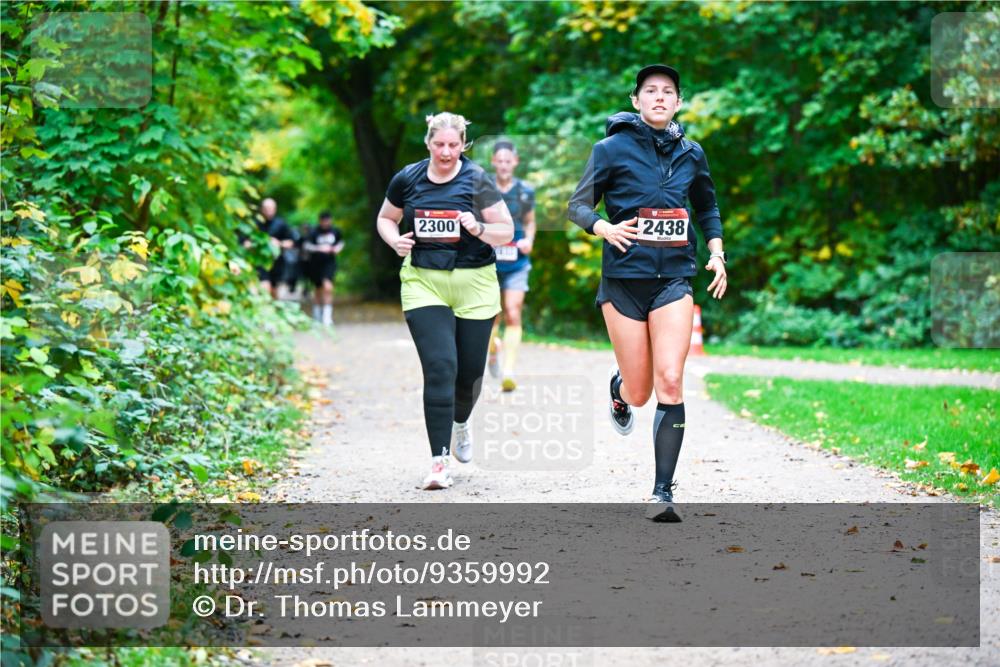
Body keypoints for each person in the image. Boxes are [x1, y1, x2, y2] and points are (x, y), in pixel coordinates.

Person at [567, 65, 728, 522]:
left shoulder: (692, 153)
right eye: (651, 91)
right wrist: (602, 226)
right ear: (636, 100)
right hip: (622, 284)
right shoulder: (609, 150)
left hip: (674, 280)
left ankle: (662, 493)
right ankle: (619, 386)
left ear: (678, 102)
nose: (660, 97)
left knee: (671, 382)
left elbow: (707, 206)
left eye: (668, 92)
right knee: (640, 394)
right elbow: (578, 204)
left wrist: (717, 252)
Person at [376, 112, 514, 490]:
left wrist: (479, 228)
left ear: (464, 145)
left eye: (454, 145)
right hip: (424, 282)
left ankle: (461, 423)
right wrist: (394, 240)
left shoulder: (478, 180)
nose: (447, 152)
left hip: (475, 283)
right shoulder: (408, 178)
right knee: (440, 367)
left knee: (468, 375)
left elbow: (506, 231)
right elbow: (386, 218)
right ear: (428, 143)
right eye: (440, 145)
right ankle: (439, 462)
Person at [486, 141, 536, 393]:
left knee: (513, 312)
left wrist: (528, 240)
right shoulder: (484, 190)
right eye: (500, 161)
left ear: (515, 162)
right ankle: (492, 348)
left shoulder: (525, 191)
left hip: (517, 262)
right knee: (491, 315)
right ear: (494, 162)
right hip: (489, 263)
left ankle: (508, 370)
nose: (504, 165)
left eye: (509, 161)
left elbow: (530, 222)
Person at [245, 198, 295, 299]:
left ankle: (273, 311)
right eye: (266, 208)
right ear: (261, 209)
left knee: (274, 291)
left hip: (277, 262)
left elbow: (291, 242)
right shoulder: (254, 224)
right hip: (260, 261)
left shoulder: (281, 224)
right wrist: (251, 244)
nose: (268, 211)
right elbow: (244, 242)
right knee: (265, 287)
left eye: (271, 208)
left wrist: (278, 243)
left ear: (275, 209)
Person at [303, 211, 344, 326]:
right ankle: (317, 314)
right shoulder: (314, 232)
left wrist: (337, 249)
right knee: (318, 290)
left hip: (329, 263)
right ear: (320, 221)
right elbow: (306, 246)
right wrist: (319, 248)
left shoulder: (335, 231)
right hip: (315, 264)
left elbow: (341, 242)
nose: (326, 223)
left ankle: (327, 317)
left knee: (328, 287)